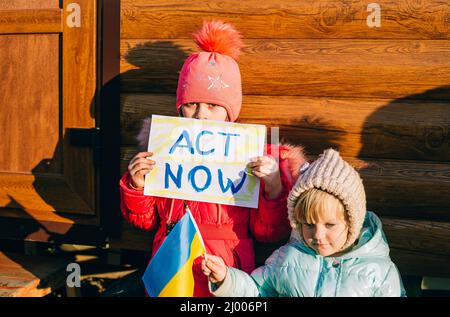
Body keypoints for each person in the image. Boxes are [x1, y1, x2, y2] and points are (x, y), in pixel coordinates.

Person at [119, 20, 308, 296]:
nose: (201, 115)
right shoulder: (165, 149)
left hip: (226, 268)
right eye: (191, 104)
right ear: (180, 107)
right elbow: (145, 221)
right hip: (172, 265)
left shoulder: (250, 158)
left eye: (213, 106)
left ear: (230, 111)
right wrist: (136, 186)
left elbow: (270, 233)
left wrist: (274, 187)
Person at [202, 148, 406, 297]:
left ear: (352, 222)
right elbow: (257, 291)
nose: (317, 235)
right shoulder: (288, 259)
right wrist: (226, 278)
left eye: (330, 225)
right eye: (308, 224)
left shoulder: (378, 272)